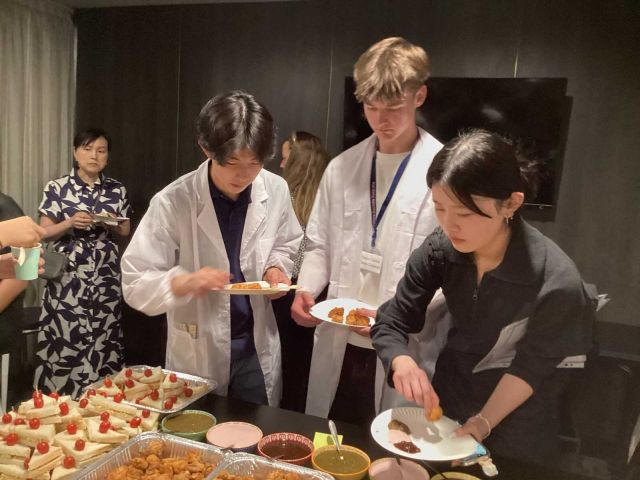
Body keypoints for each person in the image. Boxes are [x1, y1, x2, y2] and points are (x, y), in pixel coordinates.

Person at [371, 130, 596, 464]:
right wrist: (401, 361)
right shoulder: (440, 251)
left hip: (518, 418)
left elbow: (531, 367)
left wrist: (483, 422)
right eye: (439, 207)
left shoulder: (556, 281)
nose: (449, 225)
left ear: (511, 204)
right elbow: (391, 320)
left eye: (464, 213)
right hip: (451, 398)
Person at [291, 37, 442, 424]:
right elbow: (319, 243)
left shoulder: (444, 170)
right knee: (330, 434)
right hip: (340, 338)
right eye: (371, 107)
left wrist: (396, 315)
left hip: (406, 345)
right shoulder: (342, 168)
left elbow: (453, 269)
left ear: (420, 96)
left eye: (393, 108)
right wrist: (307, 288)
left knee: (393, 440)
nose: (380, 120)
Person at [121, 91, 302, 406]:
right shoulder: (173, 201)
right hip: (198, 346)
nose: (244, 175)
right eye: (232, 162)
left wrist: (276, 268)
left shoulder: (275, 189)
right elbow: (135, 280)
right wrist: (183, 282)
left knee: (258, 427)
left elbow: (287, 242)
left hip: (254, 345)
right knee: (198, 427)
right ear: (207, 149)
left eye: (255, 163)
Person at [34, 128, 132, 397]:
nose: (94, 156)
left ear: (107, 156)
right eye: (87, 149)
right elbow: (43, 232)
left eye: (101, 151)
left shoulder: (116, 189)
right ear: (76, 153)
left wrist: (110, 221)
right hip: (68, 274)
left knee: (104, 331)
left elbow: (125, 229)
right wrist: (70, 222)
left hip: (105, 274)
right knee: (66, 333)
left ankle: (103, 397)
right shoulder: (57, 187)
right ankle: (59, 398)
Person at [272, 131, 329, 411]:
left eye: (285, 158)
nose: (281, 165)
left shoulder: (284, 197)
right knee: (307, 363)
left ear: (298, 161)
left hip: (287, 289)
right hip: (319, 293)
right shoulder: (326, 199)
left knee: (285, 361)